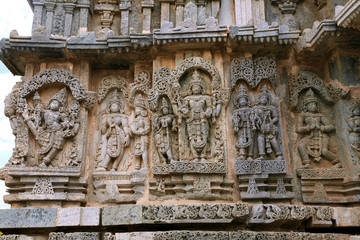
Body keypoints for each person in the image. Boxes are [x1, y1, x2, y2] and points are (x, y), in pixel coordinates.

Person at [296, 88, 341, 168]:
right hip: (309, 137)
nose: (313, 106)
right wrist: (308, 128)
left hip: (322, 136)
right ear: (306, 106)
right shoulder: (303, 115)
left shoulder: (320, 116)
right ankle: (307, 164)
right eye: (311, 104)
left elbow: (331, 127)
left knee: (324, 151)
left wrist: (321, 127)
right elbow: (298, 129)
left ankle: (337, 162)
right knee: (301, 146)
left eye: (315, 104)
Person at [180, 70, 212, 162]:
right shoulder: (187, 98)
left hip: (203, 119)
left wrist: (208, 111)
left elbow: (210, 107)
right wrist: (185, 110)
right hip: (191, 120)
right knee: (192, 137)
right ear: (191, 88)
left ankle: (203, 156)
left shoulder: (206, 98)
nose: (196, 88)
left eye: (198, 87)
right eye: (194, 87)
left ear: (202, 87)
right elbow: (184, 108)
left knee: (204, 136)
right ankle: (195, 156)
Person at [96, 90, 130, 171]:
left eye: (116, 105)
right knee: (109, 151)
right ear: (109, 107)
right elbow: (104, 130)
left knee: (120, 152)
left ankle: (114, 167)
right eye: (112, 105)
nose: (114, 107)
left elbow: (125, 127)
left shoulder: (122, 117)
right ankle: (104, 166)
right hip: (110, 136)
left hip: (120, 136)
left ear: (120, 106)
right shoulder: (106, 117)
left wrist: (127, 135)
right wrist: (101, 125)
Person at [254, 84, 282, 160]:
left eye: (265, 98)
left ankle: (279, 155)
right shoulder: (257, 108)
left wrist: (271, 122)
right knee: (260, 138)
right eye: (262, 98)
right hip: (261, 128)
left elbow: (276, 117)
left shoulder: (271, 108)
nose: (264, 99)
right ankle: (262, 155)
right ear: (258, 99)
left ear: (268, 100)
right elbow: (254, 117)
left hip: (270, 127)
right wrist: (256, 120)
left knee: (272, 139)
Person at [232, 84, 255, 160]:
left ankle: (250, 155)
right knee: (241, 139)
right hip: (241, 126)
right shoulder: (237, 111)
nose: (242, 101)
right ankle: (242, 154)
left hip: (249, 126)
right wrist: (236, 123)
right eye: (240, 100)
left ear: (247, 101)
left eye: (244, 99)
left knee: (250, 139)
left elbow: (254, 117)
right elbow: (235, 118)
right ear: (237, 102)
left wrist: (253, 119)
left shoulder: (250, 110)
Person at [130, 94, 151, 169]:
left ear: (143, 110)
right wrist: (133, 131)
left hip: (143, 136)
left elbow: (148, 129)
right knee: (137, 151)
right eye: (136, 109)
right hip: (137, 137)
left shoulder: (145, 119)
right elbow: (132, 129)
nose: (136, 110)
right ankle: (137, 166)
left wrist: (141, 132)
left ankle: (145, 165)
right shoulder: (135, 120)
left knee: (143, 150)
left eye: (138, 108)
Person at [154, 98, 177, 163]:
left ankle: (171, 159)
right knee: (160, 147)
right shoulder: (160, 118)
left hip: (168, 134)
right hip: (161, 135)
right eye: (164, 109)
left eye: (166, 109)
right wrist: (155, 122)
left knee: (168, 147)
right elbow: (157, 127)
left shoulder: (171, 116)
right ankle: (163, 160)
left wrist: (173, 125)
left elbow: (173, 124)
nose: (165, 111)